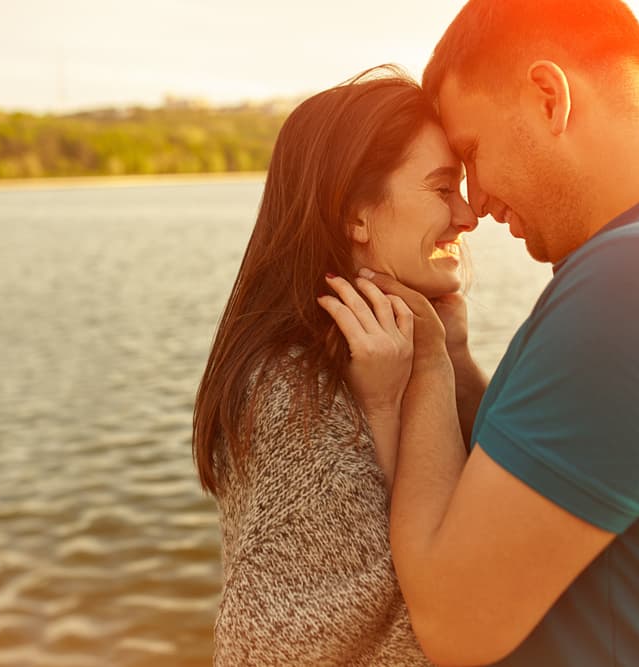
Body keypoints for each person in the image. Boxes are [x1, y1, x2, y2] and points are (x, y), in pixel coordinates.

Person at [323, 1, 639, 665]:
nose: (475, 201)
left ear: (548, 96)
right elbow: (559, 472)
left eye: (471, 153)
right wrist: (457, 358)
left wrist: (425, 359)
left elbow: (456, 624)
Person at [191, 65, 477, 665]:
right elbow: (270, 644)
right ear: (356, 214)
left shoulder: (401, 344)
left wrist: (448, 355)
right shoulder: (289, 388)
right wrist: (384, 408)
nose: (468, 216)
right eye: (442, 188)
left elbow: (474, 514)